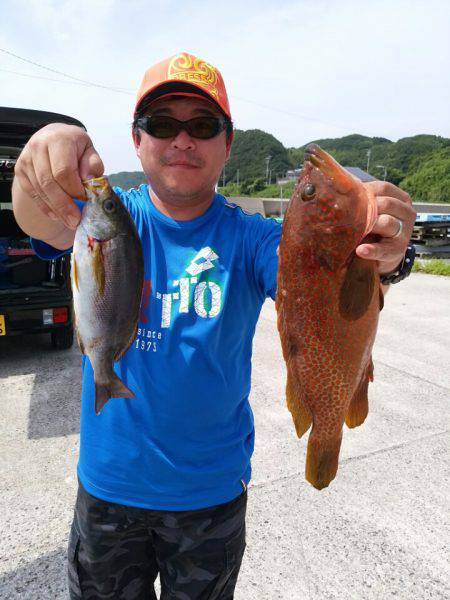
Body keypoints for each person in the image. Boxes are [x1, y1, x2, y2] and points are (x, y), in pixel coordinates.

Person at [12, 52, 416, 599]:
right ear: (136, 140)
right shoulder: (105, 217)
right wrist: (38, 157)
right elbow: (37, 220)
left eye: (202, 126)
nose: (182, 140)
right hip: (108, 489)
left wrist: (390, 255)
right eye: (162, 124)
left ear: (227, 144)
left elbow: (327, 280)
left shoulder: (251, 239)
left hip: (210, 498)